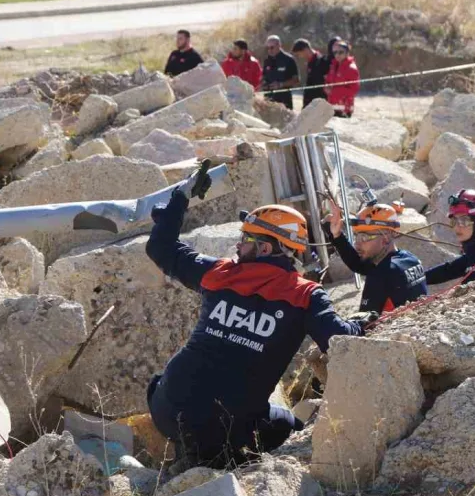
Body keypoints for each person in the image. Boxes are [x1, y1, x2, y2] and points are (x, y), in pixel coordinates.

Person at [145, 161, 368, 468]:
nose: (238, 244)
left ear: (265, 248)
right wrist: (362, 324)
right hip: (230, 429)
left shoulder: (217, 272)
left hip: (166, 412)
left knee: (159, 382)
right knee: (293, 428)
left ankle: (189, 453)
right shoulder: (305, 295)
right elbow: (340, 340)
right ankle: (215, 456)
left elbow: (160, 246)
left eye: (246, 238)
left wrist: (179, 199)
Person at [323, 199, 427, 314]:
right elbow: (359, 265)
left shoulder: (381, 274)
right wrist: (336, 235)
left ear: (386, 237)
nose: (357, 244)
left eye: (364, 237)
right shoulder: (410, 259)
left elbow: (364, 324)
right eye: (356, 236)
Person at [261, 35, 299, 111]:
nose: (269, 50)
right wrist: (264, 84)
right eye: (267, 48)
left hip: (284, 101)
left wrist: (280, 84)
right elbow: (264, 77)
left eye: (272, 47)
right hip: (269, 101)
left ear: (279, 45)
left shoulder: (289, 60)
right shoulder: (267, 60)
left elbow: (296, 80)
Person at [291, 38, 331, 109]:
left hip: (318, 104)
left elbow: (321, 85)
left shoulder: (321, 61)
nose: (299, 57)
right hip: (311, 104)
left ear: (305, 50)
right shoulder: (310, 62)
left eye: (299, 54)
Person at [324, 41, 360, 118]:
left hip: (344, 110)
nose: (337, 55)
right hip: (332, 108)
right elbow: (328, 81)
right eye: (335, 52)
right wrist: (326, 87)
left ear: (347, 53)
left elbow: (353, 90)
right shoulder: (333, 66)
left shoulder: (351, 68)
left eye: (340, 52)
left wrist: (333, 91)